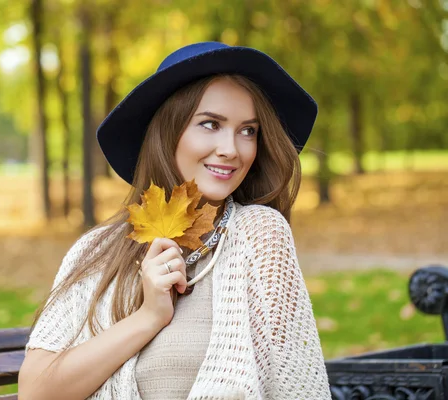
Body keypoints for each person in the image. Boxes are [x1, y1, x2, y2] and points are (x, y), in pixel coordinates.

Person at [18, 42, 331, 399]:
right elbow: (35, 392)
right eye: (210, 124)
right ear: (167, 132)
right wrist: (149, 317)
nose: (232, 148)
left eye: (248, 130)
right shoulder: (97, 251)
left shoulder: (260, 236)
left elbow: (296, 388)